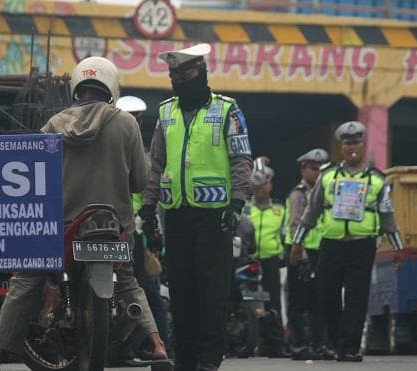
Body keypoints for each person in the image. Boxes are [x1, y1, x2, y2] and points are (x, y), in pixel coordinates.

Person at [0, 57, 167, 371]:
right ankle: (158, 345)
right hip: (112, 224)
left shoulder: (54, 125)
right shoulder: (126, 123)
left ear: (77, 88)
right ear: (110, 86)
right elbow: (139, 181)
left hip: (60, 227)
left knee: (25, 285)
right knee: (127, 283)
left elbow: (35, 179)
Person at [141, 43, 252, 371]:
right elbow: (156, 164)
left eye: (184, 74)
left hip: (215, 216)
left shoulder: (227, 110)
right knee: (181, 291)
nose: (177, 80)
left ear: (200, 72)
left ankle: (208, 359)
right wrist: (148, 209)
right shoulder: (166, 113)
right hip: (176, 215)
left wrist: (237, 203)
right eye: (173, 75)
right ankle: (185, 359)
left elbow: (241, 158)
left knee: (212, 293)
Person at [291, 121, 404, 362]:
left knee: (357, 297)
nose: (352, 147)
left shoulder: (376, 179)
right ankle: (334, 341)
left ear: (363, 146)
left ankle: (350, 347)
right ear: (341, 147)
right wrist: (297, 241)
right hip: (331, 244)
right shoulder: (328, 176)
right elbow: (311, 210)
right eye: (347, 143)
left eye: (356, 143)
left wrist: (397, 247)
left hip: (362, 245)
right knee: (326, 294)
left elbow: (387, 215)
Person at [116, 95, 173, 356]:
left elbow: (151, 192)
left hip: (135, 233)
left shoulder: (145, 154)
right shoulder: (111, 146)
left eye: (137, 118)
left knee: (146, 291)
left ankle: (158, 346)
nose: (134, 122)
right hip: (111, 228)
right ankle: (129, 346)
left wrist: (148, 226)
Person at [284, 148, 334, 360]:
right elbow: (296, 225)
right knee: (298, 301)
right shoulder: (299, 194)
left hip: (320, 251)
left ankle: (318, 344)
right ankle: (299, 344)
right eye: (314, 169)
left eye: (321, 169)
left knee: (318, 301)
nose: (318, 173)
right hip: (299, 250)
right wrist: (302, 255)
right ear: (304, 169)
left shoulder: (327, 190)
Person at [237, 168, 288, 358]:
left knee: (273, 303)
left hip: (270, 263)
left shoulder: (280, 210)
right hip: (246, 261)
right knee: (246, 302)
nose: (260, 189)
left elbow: (285, 234)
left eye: (265, 184)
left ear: (270, 186)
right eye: (257, 185)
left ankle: (275, 344)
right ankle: (242, 339)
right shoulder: (244, 208)